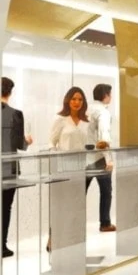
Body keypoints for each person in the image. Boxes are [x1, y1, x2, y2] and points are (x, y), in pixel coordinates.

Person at [49, 87, 92, 253]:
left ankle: (73, 238)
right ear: (68, 100)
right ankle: (54, 238)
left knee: (76, 206)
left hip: (80, 168)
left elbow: (87, 145)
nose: (77, 102)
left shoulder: (85, 122)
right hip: (63, 168)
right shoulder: (60, 119)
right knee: (62, 206)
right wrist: (56, 161)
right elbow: (51, 143)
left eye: (80, 99)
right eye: (74, 99)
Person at [1, 77, 33, 257]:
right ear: (10, 92)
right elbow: (19, 144)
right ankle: (1, 245)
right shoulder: (16, 114)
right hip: (8, 169)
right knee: (5, 207)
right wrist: (27, 141)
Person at [85, 83, 116, 233]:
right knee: (106, 191)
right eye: (110, 94)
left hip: (84, 157)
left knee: (80, 192)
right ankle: (105, 223)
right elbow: (103, 137)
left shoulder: (87, 109)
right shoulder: (103, 112)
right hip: (98, 158)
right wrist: (108, 159)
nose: (111, 97)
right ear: (105, 95)